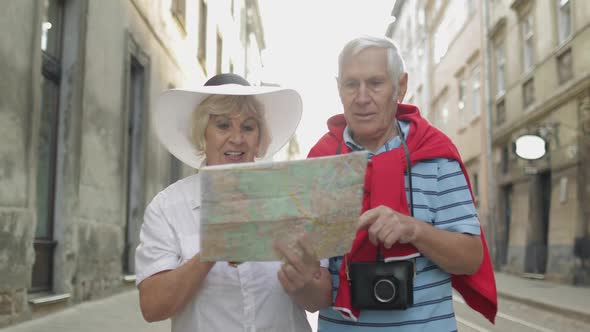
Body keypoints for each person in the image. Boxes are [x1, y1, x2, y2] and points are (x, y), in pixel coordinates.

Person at [307, 36, 498, 331]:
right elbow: (312, 297)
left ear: (401, 86)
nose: (361, 97)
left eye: (375, 83)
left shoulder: (437, 155)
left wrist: (414, 230)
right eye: (351, 84)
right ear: (339, 89)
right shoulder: (320, 164)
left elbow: (471, 259)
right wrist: (297, 279)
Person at [135, 73, 331, 332]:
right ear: (203, 134)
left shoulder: (294, 199)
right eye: (223, 125)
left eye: (248, 127)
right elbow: (152, 307)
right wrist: (213, 250)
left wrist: (303, 280)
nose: (237, 138)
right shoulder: (168, 207)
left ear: (259, 138)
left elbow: (320, 299)